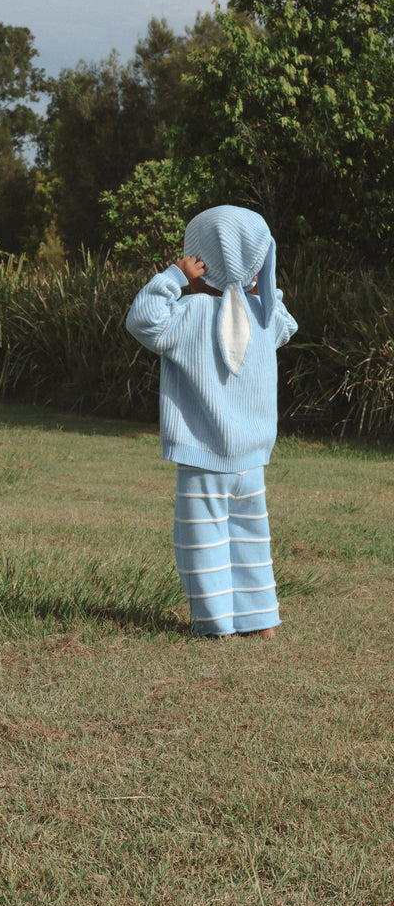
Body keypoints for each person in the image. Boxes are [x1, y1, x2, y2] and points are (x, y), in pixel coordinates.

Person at [125, 205, 298, 638]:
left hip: (202, 457)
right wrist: (260, 284)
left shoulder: (187, 314)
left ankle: (216, 622)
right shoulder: (264, 318)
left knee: (202, 544)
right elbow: (287, 324)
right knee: (251, 539)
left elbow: (142, 319)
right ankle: (261, 622)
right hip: (252, 458)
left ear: (200, 260)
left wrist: (173, 276)